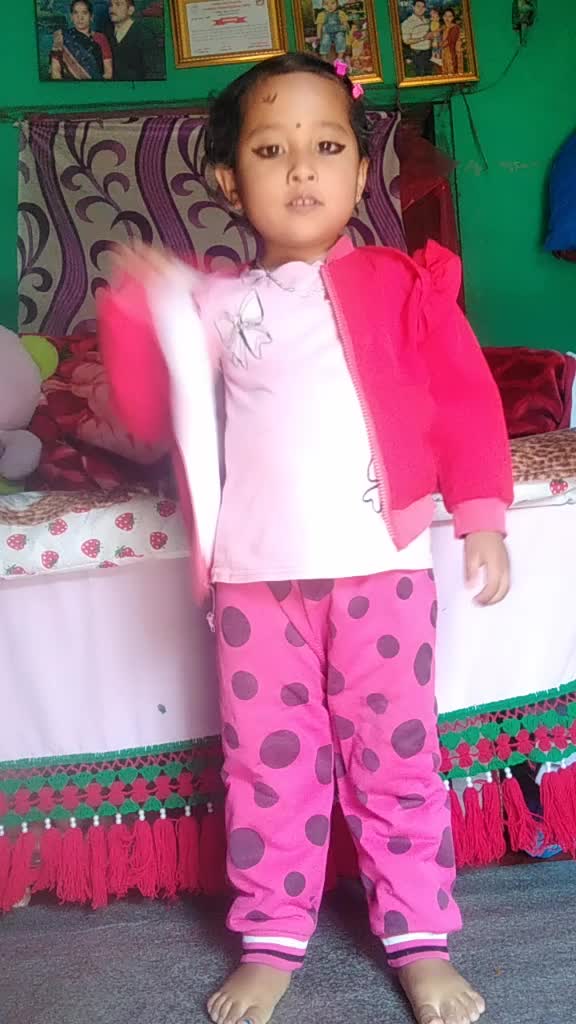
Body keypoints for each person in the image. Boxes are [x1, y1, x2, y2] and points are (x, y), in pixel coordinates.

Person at [99, 52, 513, 1024]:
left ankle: (420, 935)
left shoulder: (403, 285)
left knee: (396, 759)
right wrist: (136, 303)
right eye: (270, 150)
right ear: (227, 180)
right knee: (268, 766)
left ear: (362, 175)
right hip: (256, 582)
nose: (300, 169)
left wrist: (482, 515)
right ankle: (272, 935)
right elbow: (148, 410)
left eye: (327, 147)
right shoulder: (215, 303)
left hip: (383, 573)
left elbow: (463, 401)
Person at [50, 0, 112, 80]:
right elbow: (55, 71)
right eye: (76, 13)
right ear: (71, 17)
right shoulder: (61, 37)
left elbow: (108, 73)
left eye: (84, 13)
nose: (80, 17)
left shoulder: (101, 38)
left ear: (91, 17)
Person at [106, 0, 157, 80]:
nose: (112, 9)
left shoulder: (144, 35)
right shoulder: (106, 34)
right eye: (110, 5)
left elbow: (152, 72)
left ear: (130, 10)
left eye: (118, 4)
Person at [401, 0, 432, 77]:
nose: (421, 9)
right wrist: (423, 38)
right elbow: (406, 41)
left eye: (423, 7)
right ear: (413, 7)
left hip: (428, 52)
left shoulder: (427, 20)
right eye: (418, 6)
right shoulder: (407, 23)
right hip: (417, 54)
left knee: (430, 76)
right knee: (420, 76)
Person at [441, 8, 464, 76]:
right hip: (445, 54)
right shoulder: (444, 27)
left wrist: (438, 45)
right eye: (445, 16)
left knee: (453, 73)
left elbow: (449, 41)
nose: (447, 18)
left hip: (453, 54)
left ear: (453, 18)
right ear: (443, 17)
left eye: (450, 16)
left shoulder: (455, 28)